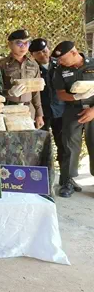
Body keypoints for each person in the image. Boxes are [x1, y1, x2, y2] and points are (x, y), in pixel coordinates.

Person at [51, 41, 94, 198]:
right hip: (73, 110)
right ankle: (68, 181)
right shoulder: (60, 70)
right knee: (69, 145)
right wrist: (75, 97)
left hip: (93, 109)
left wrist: (93, 111)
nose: (60, 62)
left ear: (74, 53)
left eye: (62, 58)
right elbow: (60, 93)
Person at [29, 38, 65, 167]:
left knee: (63, 144)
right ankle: (44, 174)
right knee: (41, 145)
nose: (42, 55)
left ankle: (65, 175)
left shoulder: (60, 64)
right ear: (32, 55)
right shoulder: (31, 68)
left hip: (60, 110)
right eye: (38, 53)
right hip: (41, 113)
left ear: (49, 49)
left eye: (44, 51)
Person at [0, 30, 44, 128]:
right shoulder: (2, 64)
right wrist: (9, 92)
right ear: (10, 45)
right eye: (19, 43)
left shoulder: (33, 64)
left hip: (28, 109)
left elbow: (36, 92)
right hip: (8, 108)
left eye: (27, 43)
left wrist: (39, 114)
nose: (23, 47)